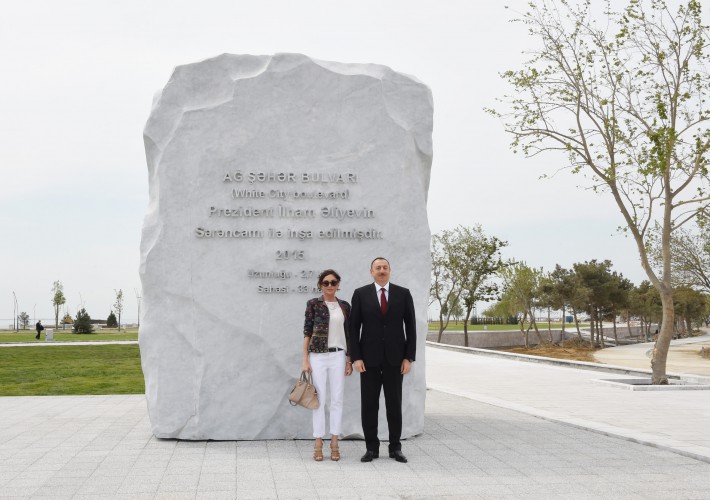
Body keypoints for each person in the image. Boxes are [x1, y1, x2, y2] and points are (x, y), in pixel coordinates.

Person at [349, 257, 416, 463]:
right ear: (371, 272)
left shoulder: (403, 294)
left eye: (385, 267)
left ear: (390, 270)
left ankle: (395, 448)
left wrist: (408, 357)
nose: (381, 270)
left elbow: (411, 328)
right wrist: (356, 357)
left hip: (396, 360)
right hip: (368, 360)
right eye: (377, 268)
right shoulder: (360, 294)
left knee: (394, 404)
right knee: (369, 405)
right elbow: (353, 328)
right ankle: (371, 448)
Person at [302, 269, 353, 462]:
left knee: (337, 399)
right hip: (318, 356)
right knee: (319, 400)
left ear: (338, 284)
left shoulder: (345, 306)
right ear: (320, 285)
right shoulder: (313, 304)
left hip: (339, 356)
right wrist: (305, 359)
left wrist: (349, 360)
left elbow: (349, 335)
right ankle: (317, 442)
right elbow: (307, 332)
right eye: (326, 283)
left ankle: (334, 441)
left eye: (333, 282)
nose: (329, 286)